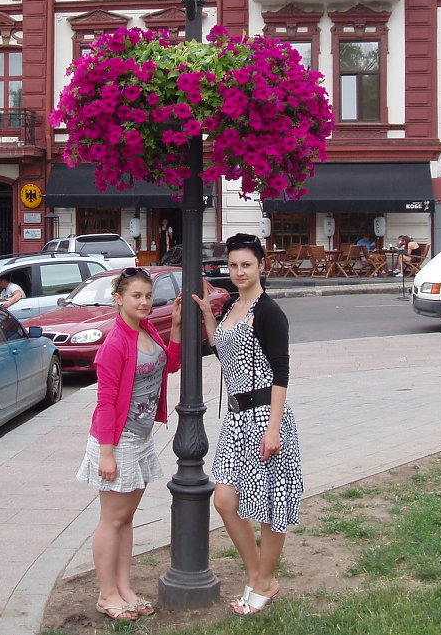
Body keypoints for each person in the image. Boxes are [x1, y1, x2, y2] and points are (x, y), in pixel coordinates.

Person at [193, 233, 302, 616]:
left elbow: (281, 373)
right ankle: (260, 576)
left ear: (261, 266)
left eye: (246, 265)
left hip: (264, 416)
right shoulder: (232, 308)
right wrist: (209, 317)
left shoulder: (269, 312)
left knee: (272, 503)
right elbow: (224, 352)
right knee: (225, 500)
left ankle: (261, 581)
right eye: (234, 265)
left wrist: (272, 429)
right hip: (235, 421)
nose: (239, 272)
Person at [76, 267, 182, 621]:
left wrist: (178, 327)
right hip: (117, 441)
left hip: (139, 438)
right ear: (118, 298)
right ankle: (107, 594)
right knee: (112, 519)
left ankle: (124, 588)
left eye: (148, 296)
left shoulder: (147, 330)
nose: (145, 302)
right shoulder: (116, 342)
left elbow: (171, 364)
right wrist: (106, 454)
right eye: (136, 296)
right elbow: (105, 401)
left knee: (126, 518)